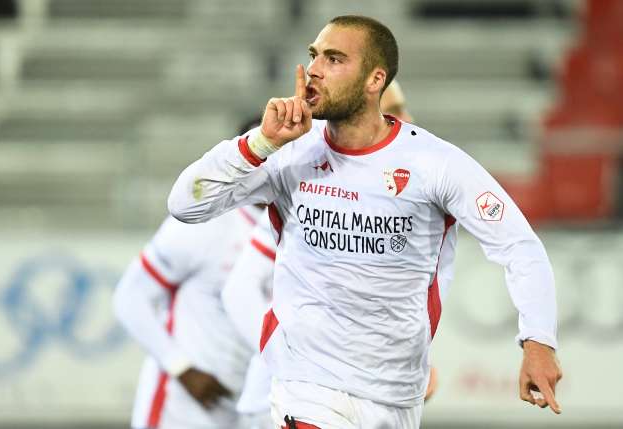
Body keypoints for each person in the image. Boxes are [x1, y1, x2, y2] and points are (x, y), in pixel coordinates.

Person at [168, 15, 562, 429]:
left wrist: (539, 339)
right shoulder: (289, 153)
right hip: (307, 386)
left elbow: (519, 245)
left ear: (375, 80)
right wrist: (259, 143)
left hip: (396, 392)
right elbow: (185, 204)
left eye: (334, 59)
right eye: (314, 56)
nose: (315, 69)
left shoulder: (434, 163)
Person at [221, 80, 437, 429]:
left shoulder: (395, 194)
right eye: (394, 111)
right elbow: (238, 291)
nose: (407, 118)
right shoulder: (313, 189)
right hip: (287, 402)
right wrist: (298, 357)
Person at [113, 119, 263, 429]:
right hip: (181, 407)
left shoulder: (300, 226)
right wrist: (182, 368)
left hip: (247, 408)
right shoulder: (210, 222)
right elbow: (130, 297)